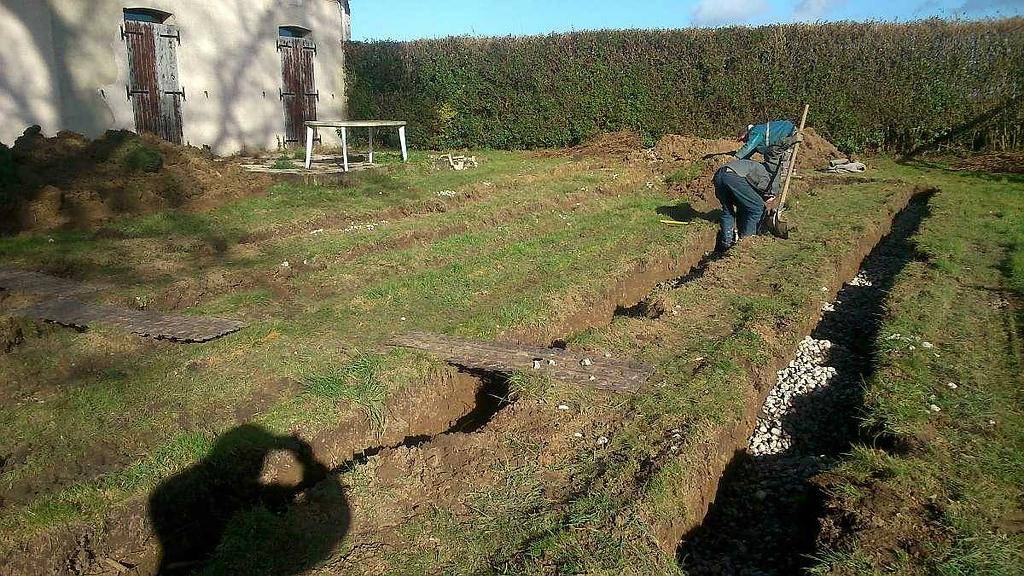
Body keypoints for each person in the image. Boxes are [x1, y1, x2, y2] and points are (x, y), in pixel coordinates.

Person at [712, 120, 802, 251]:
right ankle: (746, 244)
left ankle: (726, 245)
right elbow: (775, 150)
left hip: (719, 175)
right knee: (757, 207)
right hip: (733, 176)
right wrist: (791, 140)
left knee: (729, 211)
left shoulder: (755, 167)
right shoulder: (768, 171)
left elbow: (749, 192)